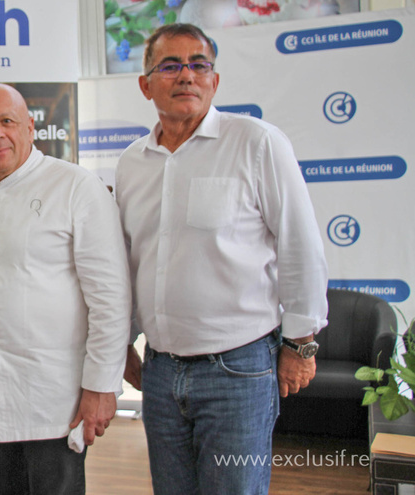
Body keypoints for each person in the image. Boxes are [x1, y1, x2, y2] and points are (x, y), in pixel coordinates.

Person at [116, 23, 329, 494]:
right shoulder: (132, 162)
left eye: (199, 65)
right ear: (145, 84)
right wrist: (122, 339)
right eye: (170, 66)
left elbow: (301, 244)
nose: (186, 76)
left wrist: (301, 343)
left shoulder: (257, 143)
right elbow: (130, 261)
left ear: (215, 80)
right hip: (160, 371)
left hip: (240, 371)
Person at [0, 83, 130, 495]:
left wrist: (101, 387)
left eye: (7, 121)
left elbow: (110, 298)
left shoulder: (76, 186)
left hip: (54, 398)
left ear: (30, 127)